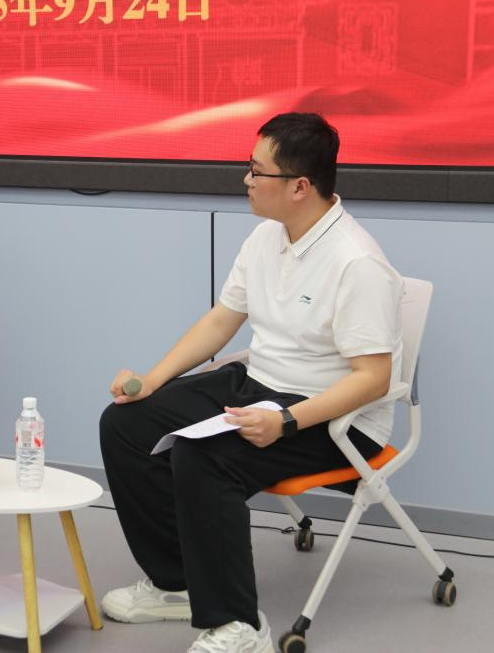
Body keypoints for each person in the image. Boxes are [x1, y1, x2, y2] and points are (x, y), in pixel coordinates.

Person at [99, 112, 403, 652]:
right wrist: (152, 379)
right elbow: (223, 319)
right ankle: (176, 583)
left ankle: (238, 625)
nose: (247, 179)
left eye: (257, 171)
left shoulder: (356, 262)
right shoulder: (267, 236)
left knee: (204, 456)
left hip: (334, 417)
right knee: (127, 423)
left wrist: (286, 420)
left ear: (300, 186)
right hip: (258, 383)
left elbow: (374, 379)